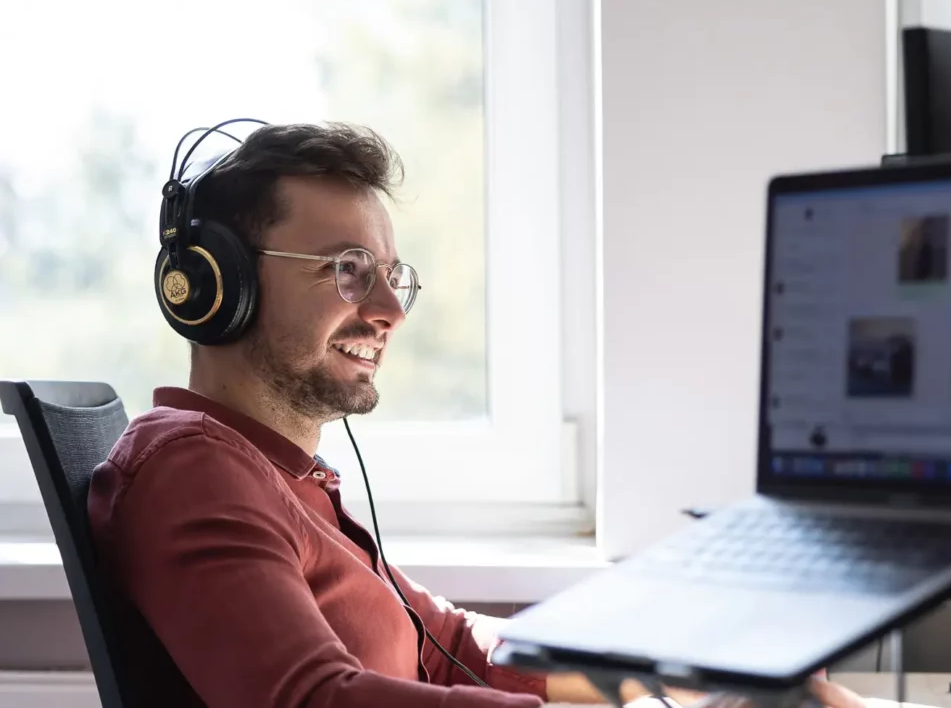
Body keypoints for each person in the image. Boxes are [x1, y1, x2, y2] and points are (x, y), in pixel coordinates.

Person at [88, 122, 866, 708]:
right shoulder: (195, 470)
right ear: (217, 282)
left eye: (393, 276)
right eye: (349, 271)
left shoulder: (278, 476)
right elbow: (318, 703)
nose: (391, 309)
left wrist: (668, 667)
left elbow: (450, 642)